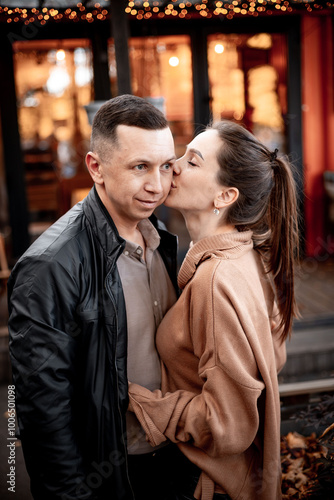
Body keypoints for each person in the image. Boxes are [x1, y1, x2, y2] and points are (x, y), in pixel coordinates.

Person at [7, 94, 180, 500]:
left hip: (171, 460)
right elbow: (41, 412)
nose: (158, 185)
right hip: (108, 474)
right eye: (140, 167)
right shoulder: (50, 267)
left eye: (166, 166)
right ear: (95, 167)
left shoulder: (162, 242)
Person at [128, 120, 300, 500]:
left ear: (225, 196)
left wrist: (142, 403)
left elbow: (228, 425)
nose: (173, 164)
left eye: (192, 162)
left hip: (205, 484)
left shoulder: (214, 281)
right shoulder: (247, 257)